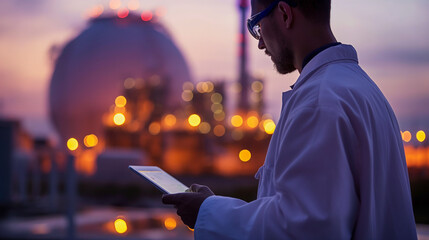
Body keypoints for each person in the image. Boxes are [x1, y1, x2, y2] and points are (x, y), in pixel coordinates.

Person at [162, 0, 418, 239]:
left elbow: (306, 228)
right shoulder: (363, 89)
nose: (260, 44)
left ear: (284, 14)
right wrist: (215, 205)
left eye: (258, 26)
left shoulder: (319, 101)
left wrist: (208, 213)